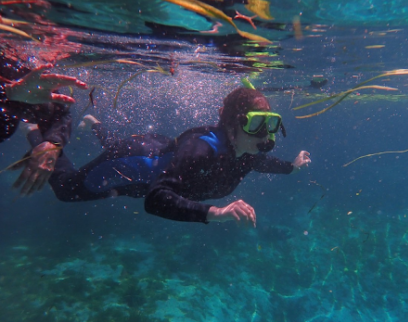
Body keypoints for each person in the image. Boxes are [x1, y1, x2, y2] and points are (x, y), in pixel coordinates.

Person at [48, 87, 311, 226]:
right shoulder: (202, 150)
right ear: (232, 124)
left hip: (154, 148)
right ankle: (38, 136)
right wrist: (216, 212)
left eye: (271, 124)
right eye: (256, 125)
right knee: (64, 189)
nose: (265, 136)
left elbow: (262, 162)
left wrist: (292, 167)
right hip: (131, 161)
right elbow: (154, 199)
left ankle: (94, 124)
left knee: (114, 144)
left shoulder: (246, 151)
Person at [1, 52, 88, 195]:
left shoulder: (28, 72)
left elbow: (60, 114)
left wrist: (52, 144)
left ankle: (30, 127)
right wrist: (7, 92)